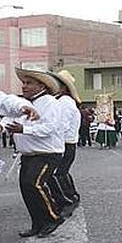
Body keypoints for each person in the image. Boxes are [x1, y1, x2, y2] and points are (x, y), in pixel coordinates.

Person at [3, 69, 66, 237]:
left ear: (41, 86)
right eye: (23, 83)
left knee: (34, 184)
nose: (24, 86)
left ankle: (53, 218)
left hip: (46, 153)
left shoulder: (50, 102)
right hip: (29, 155)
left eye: (29, 83)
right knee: (27, 189)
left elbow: (50, 128)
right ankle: (38, 224)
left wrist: (24, 129)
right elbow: (9, 120)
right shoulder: (24, 103)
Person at [49, 70, 82, 217]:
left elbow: (62, 126)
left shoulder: (64, 102)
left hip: (64, 143)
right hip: (68, 142)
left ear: (62, 87)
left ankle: (68, 200)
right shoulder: (66, 101)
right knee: (61, 172)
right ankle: (72, 197)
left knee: (58, 174)